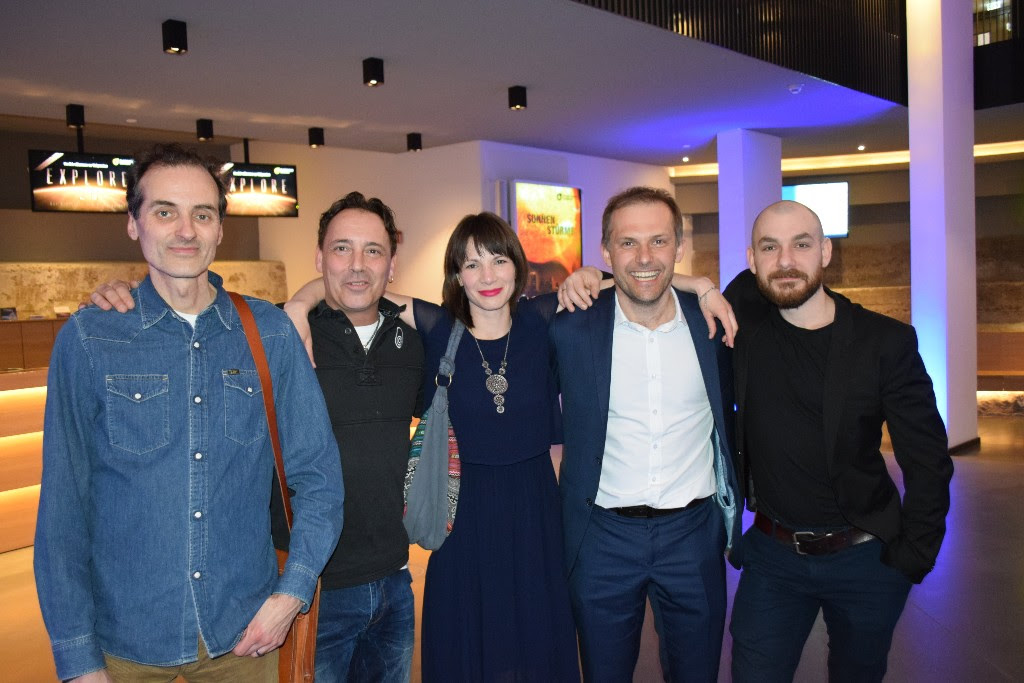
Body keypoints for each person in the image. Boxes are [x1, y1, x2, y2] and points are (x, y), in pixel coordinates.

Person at [34, 143, 345, 682]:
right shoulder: (89, 339)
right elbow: (62, 516)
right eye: (164, 212)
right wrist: (77, 659)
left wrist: (292, 593)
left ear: (220, 228)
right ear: (134, 224)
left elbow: (319, 479)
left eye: (202, 214)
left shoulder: (269, 334)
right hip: (125, 644)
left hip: (244, 638)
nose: (186, 230)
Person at [88, 190, 424, 682]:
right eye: (341, 248)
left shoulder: (413, 344)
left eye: (373, 251)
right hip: (307, 585)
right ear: (318, 258)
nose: (357, 265)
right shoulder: (272, 335)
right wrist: (119, 298)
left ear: (392, 263)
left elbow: (479, 316)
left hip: (395, 581)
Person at [724, 200, 952, 683]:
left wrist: (914, 556)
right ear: (751, 259)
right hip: (772, 556)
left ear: (825, 252)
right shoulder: (743, 322)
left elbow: (927, 458)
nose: (785, 261)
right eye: (770, 247)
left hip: (865, 558)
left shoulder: (885, 342)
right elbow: (662, 284)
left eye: (801, 245)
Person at [550, 186, 742, 683]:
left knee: (697, 673)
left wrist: (702, 285)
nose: (644, 257)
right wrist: (313, 295)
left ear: (679, 246)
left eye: (659, 241)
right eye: (628, 243)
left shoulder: (715, 327)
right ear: (605, 251)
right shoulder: (572, 327)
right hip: (601, 539)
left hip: (693, 537)